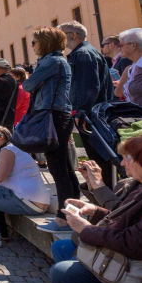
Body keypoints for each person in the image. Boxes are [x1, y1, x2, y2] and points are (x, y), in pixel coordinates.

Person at [50, 136, 142, 283]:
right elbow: (121, 215)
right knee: (61, 271)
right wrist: (95, 211)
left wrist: (85, 229)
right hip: (125, 263)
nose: (122, 163)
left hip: (136, 278)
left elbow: (132, 242)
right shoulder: (138, 185)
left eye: (128, 157)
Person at [21, 26, 75, 234]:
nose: (32, 45)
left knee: (59, 170)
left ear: (44, 42)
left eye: (34, 42)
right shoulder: (55, 61)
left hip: (53, 115)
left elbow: (28, 85)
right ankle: (71, 214)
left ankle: (63, 218)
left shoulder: (51, 61)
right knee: (65, 169)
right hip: (58, 114)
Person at [61, 21, 116, 179]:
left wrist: (82, 112)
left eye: (62, 35)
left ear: (73, 35)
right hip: (93, 113)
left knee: (100, 159)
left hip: (93, 116)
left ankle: (107, 193)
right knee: (98, 159)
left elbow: (88, 87)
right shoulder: (83, 52)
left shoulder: (84, 54)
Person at [116, 28, 142, 105]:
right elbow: (118, 93)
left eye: (121, 45)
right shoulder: (133, 67)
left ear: (133, 45)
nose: (119, 48)